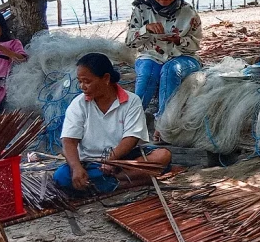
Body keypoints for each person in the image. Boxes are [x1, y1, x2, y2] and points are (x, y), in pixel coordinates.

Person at [54, 53, 172, 194]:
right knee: (61, 177)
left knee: (163, 156)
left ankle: (108, 183)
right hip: (90, 163)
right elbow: (69, 141)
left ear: (106, 78)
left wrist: (110, 160)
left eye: (87, 81)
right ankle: (131, 180)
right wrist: (76, 167)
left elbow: (131, 139)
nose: (82, 87)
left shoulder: (131, 101)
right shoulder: (78, 104)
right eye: (79, 81)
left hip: (123, 160)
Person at [125, 0, 203, 141]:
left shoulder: (188, 12)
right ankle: (131, 120)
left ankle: (163, 123)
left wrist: (179, 41)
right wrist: (146, 29)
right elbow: (130, 42)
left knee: (170, 70)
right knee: (147, 73)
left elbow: (196, 44)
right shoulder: (141, 9)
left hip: (184, 57)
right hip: (150, 55)